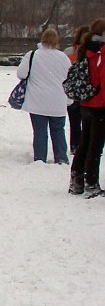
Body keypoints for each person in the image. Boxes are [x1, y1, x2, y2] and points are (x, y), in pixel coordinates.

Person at [16, 28, 71, 164]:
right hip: (58, 101)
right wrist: (69, 99)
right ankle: (61, 158)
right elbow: (69, 78)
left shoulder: (33, 55)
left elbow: (21, 74)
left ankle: (40, 158)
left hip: (37, 100)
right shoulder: (63, 57)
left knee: (40, 131)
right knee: (58, 130)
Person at [69, 19, 105, 197]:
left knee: (85, 142)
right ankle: (91, 182)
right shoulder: (100, 51)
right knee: (95, 145)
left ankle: (77, 181)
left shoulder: (86, 48)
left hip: (86, 102)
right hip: (99, 103)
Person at [64, 25, 89, 153]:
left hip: (73, 91)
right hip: (87, 90)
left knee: (74, 122)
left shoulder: (69, 52)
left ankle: (75, 145)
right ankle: (84, 145)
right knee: (87, 122)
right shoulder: (93, 51)